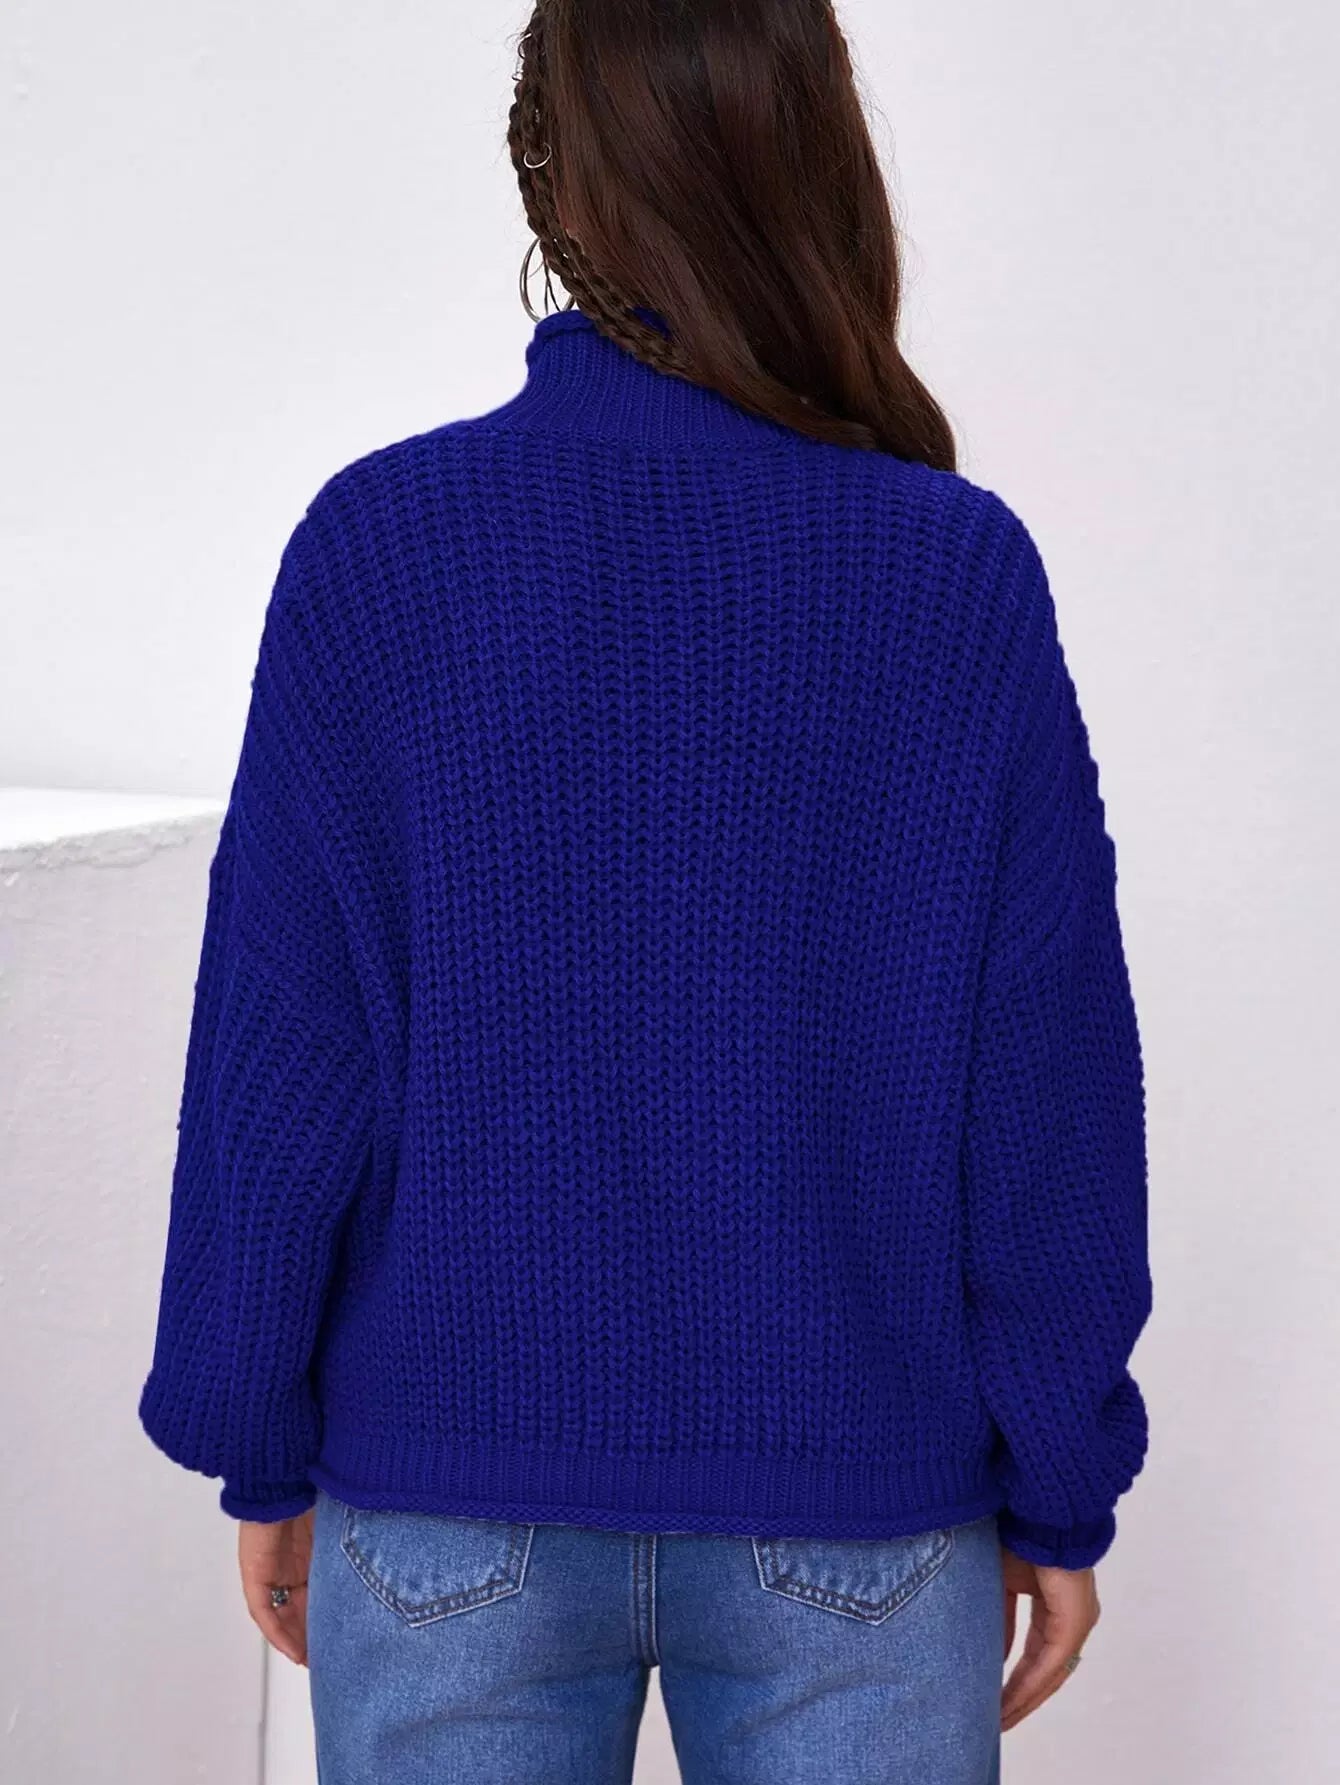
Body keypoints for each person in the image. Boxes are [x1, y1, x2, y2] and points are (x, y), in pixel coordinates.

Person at [138, 1, 1151, 1779]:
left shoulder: (382, 548)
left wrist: (260, 1436)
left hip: (448, 1498)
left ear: (550, 177)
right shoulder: (952, 573)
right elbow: (1044, 1089)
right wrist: (1060, 1478)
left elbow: (282, 1061)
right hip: (861, 1510)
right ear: (818, 158)